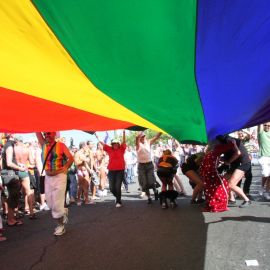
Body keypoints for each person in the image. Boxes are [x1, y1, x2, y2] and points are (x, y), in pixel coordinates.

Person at [36, 132, 74, 236]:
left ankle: (60, 226)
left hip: (60, 176)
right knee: (50, 204)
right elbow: (36, 130)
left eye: (48, 133)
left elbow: (71, 158)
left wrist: (65, 167)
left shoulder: (61, 145)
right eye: (45, 134)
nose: (46, 135)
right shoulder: (43, 145)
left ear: (54, 134)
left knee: (57, 204)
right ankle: (63, 211)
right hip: (48, 177)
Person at [200, 136, 241, 212]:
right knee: (222, 185)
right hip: (211, 172)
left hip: (206, 173)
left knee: (210, 189)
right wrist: (233, 141)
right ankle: (218, 206)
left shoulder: (209, 153)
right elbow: (233, 145)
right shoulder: (217, 149)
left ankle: (212, 205)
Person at [95, 131, 126, 208]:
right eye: (113, 143)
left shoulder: (122, 149)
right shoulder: (109, 149)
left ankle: (118, 202)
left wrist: (124, 133)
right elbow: (101, 142)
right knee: (112, 188)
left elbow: (124, 141)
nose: (115, 144)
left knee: (118, 186)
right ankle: (118, 197)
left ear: (118, 144)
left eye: (116, 143)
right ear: (112, 144)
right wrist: (96, 134)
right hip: (111, 171)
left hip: (120, 170)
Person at [1, 133, 24, 226]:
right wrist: (20, 168)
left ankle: (11, 219)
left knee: (12, 196)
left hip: (7, 173)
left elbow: (5, 162)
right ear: (11, 135)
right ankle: (11, 220)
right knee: (13, 196)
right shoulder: (9, 145)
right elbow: (9, 163)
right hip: (10, 174)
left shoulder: (7, 145)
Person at [136, 131, 161, 204]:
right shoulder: (138, 145)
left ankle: (155, 191)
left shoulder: (148, 142)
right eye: (141, 137)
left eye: (144, 136)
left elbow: (156, 137)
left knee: (151, 181)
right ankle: (149, 198)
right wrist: (140, 132)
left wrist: (160, 131)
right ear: (140, 138)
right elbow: (136, 138)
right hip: (141, 166)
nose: (143, 138)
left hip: (149, 165)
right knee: (145, 183)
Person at [258, 123, 270, 200]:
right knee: (266, 174)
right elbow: (259, 124)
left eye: (269, 126)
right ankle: (262, 187)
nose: (268, 127)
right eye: (266, 125)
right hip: (264, 157)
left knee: (269, 175)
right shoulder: (261, 133)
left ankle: (266, 191)